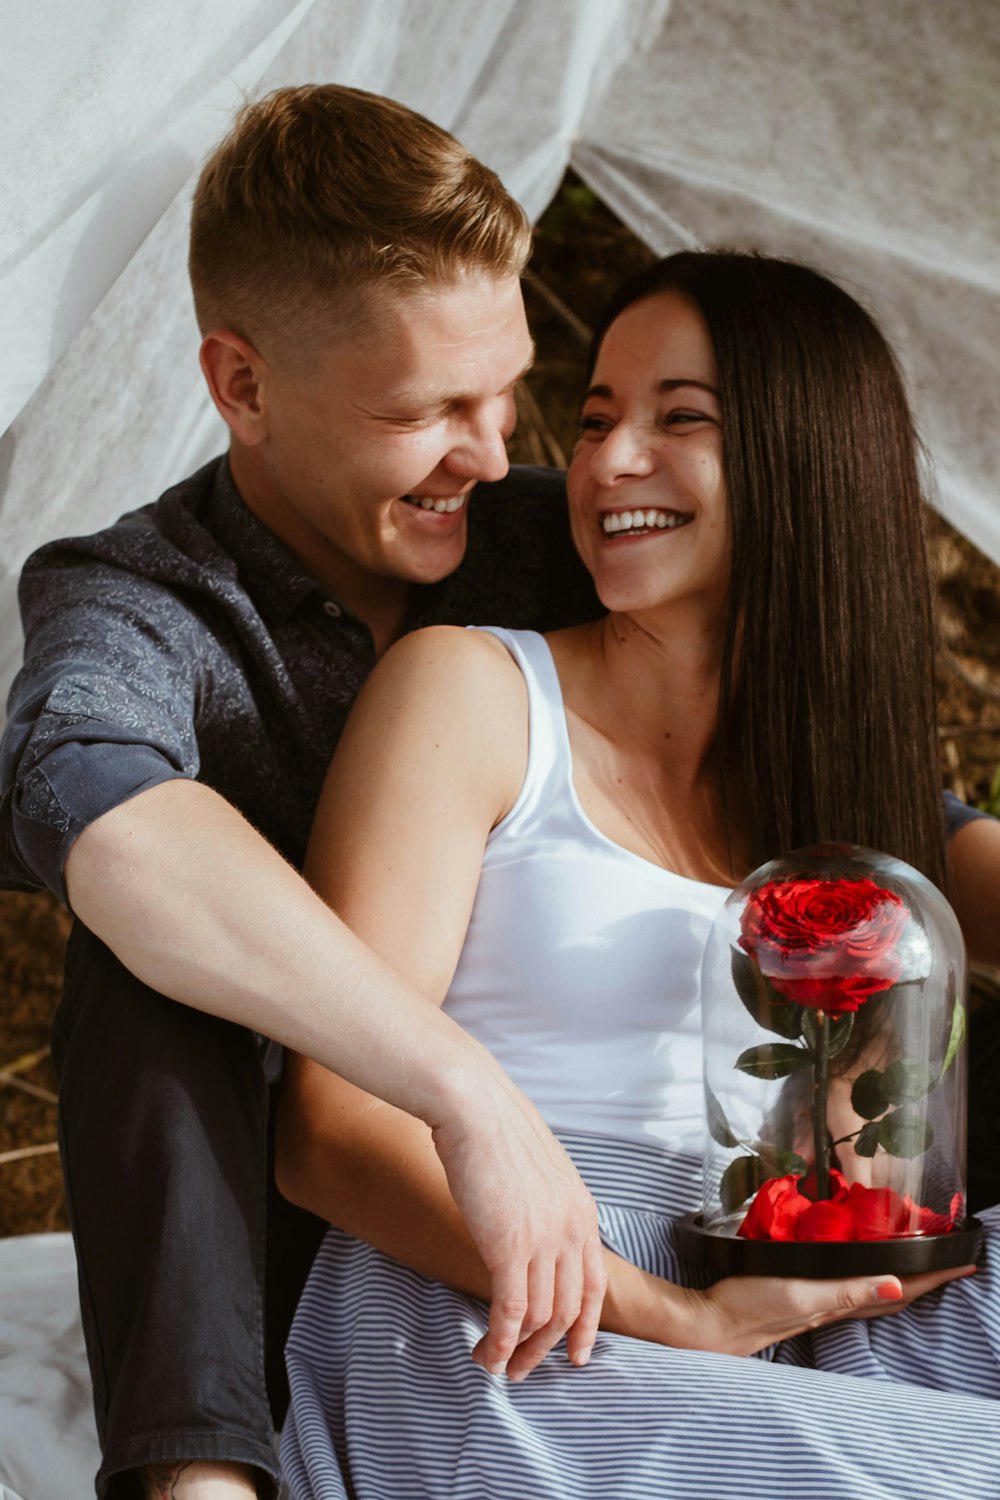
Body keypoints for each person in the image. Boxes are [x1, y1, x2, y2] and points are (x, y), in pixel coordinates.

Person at [275, 251, 1000, 1499]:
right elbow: (327, 1134)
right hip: (506, 1295)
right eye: (600, 414)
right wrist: (675, 1315)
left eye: (680, 419)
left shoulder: (851, 785)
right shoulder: (475, 695)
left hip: (785, 1274)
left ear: (806, 461)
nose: (604, 462)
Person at [0, 86, 610, 1500]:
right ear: (244, 385)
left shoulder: (553, 545)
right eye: (428, 410)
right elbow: (88, 800)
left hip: (611, 1167)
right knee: (151, 959)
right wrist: (459, 1091)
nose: (496, 451)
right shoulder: (137, 596)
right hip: (306, 1223)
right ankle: (200, 1482)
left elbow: (860, 802)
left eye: (507, 388)